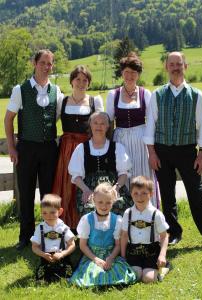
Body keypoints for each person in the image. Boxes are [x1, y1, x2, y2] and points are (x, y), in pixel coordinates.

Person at [144, 51, 202, 252]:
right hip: (162, 151)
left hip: (188, 151)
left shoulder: (196, 95)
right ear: (166, 67)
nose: (176, 67)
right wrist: (152, 153)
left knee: (197, 194)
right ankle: (173, 233)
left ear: (185, 66)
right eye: (172, 64)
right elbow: (150, 127)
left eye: (179, 64)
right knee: (167, 195)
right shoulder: (157, 95)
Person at [4, 49, 64, 251]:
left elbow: (54, 118)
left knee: (48, 194)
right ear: (34, 63)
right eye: (43, 63)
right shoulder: (20, 90)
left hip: (48, 148)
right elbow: (8, 119)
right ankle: (25, 236)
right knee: (26, 192)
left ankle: (49, 234)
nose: (47, 67)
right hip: (27, 148)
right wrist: (12, 147)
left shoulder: (56, 91)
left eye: (50, 64)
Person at [52, 65, 103, 230]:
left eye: (85, 80)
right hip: (67, 150)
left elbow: (101, 126)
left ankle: (86, 225)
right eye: (78, 79)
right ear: (72, 81)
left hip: (87, 149)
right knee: (66, 185)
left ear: (88, 83)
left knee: (85, 184)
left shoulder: (95, 101)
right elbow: (51, 123)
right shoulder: (63, 101)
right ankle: (65, 224)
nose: (81, 83)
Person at [106, 52, 159, 208]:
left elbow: (151, 123)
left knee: (142, 175)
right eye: (127, 72)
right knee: (123, 175)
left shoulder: (145, 94)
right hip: (120, 141)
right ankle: (125, 215)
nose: (130, 76)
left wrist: (152, 150)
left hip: (141, 140)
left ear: (138, 74)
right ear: (122, 73)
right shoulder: (113, 95)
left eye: (133, 72)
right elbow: (108, 123)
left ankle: (148, 214)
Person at [69, 182, 136, 287]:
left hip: (110, 255)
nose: (104, 206)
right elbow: (82, 245)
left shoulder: (117, 220)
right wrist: (95, 259)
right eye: (100, 202)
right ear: (93, 200)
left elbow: (118, 245)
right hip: (91, 256)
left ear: (113, 202)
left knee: (118, 270)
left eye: (108, 202)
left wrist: (111, 258)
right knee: (94, 272)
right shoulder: (87, 220)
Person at [68, 111, 133, 216]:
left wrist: (115, 189)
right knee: (90, 208)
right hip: (89, 189)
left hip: (112, 187)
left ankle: (118, 232)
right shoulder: (81, 148)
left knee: (118, 204)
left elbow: (123, 173)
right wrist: (86, 190)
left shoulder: (117, 147)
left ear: (107, 126)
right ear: (90, 125)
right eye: (95, 123)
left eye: (102, 123)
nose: (99, 126)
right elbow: (76, 176)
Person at [121, 176, 170, 283]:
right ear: (131, 194)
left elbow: (164, 236)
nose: (140, 197)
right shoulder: (128, 213)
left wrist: (162, 255)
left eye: (144, 193)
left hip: (151, 252)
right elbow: (124, 236)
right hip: (133, 251)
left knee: (148, 279)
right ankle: (141, 269)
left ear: (151, 194)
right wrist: (123, 256)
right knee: (135, 276)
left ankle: (164, 268)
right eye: (136, 193)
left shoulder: (156, 214)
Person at [31, 194, 75, 283]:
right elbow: (34, 246)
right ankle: (45, 278)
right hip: (46, 258)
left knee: (69, 274)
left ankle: (64, 277)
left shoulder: (64, 228)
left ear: (60, 212)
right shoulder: (40, 228)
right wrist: (43, 254)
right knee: (41, 276)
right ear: (41, 212)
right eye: (44, 213)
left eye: (52, 212)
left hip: (62, 258)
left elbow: (72, 245)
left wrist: (62, 254)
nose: (48, 216)